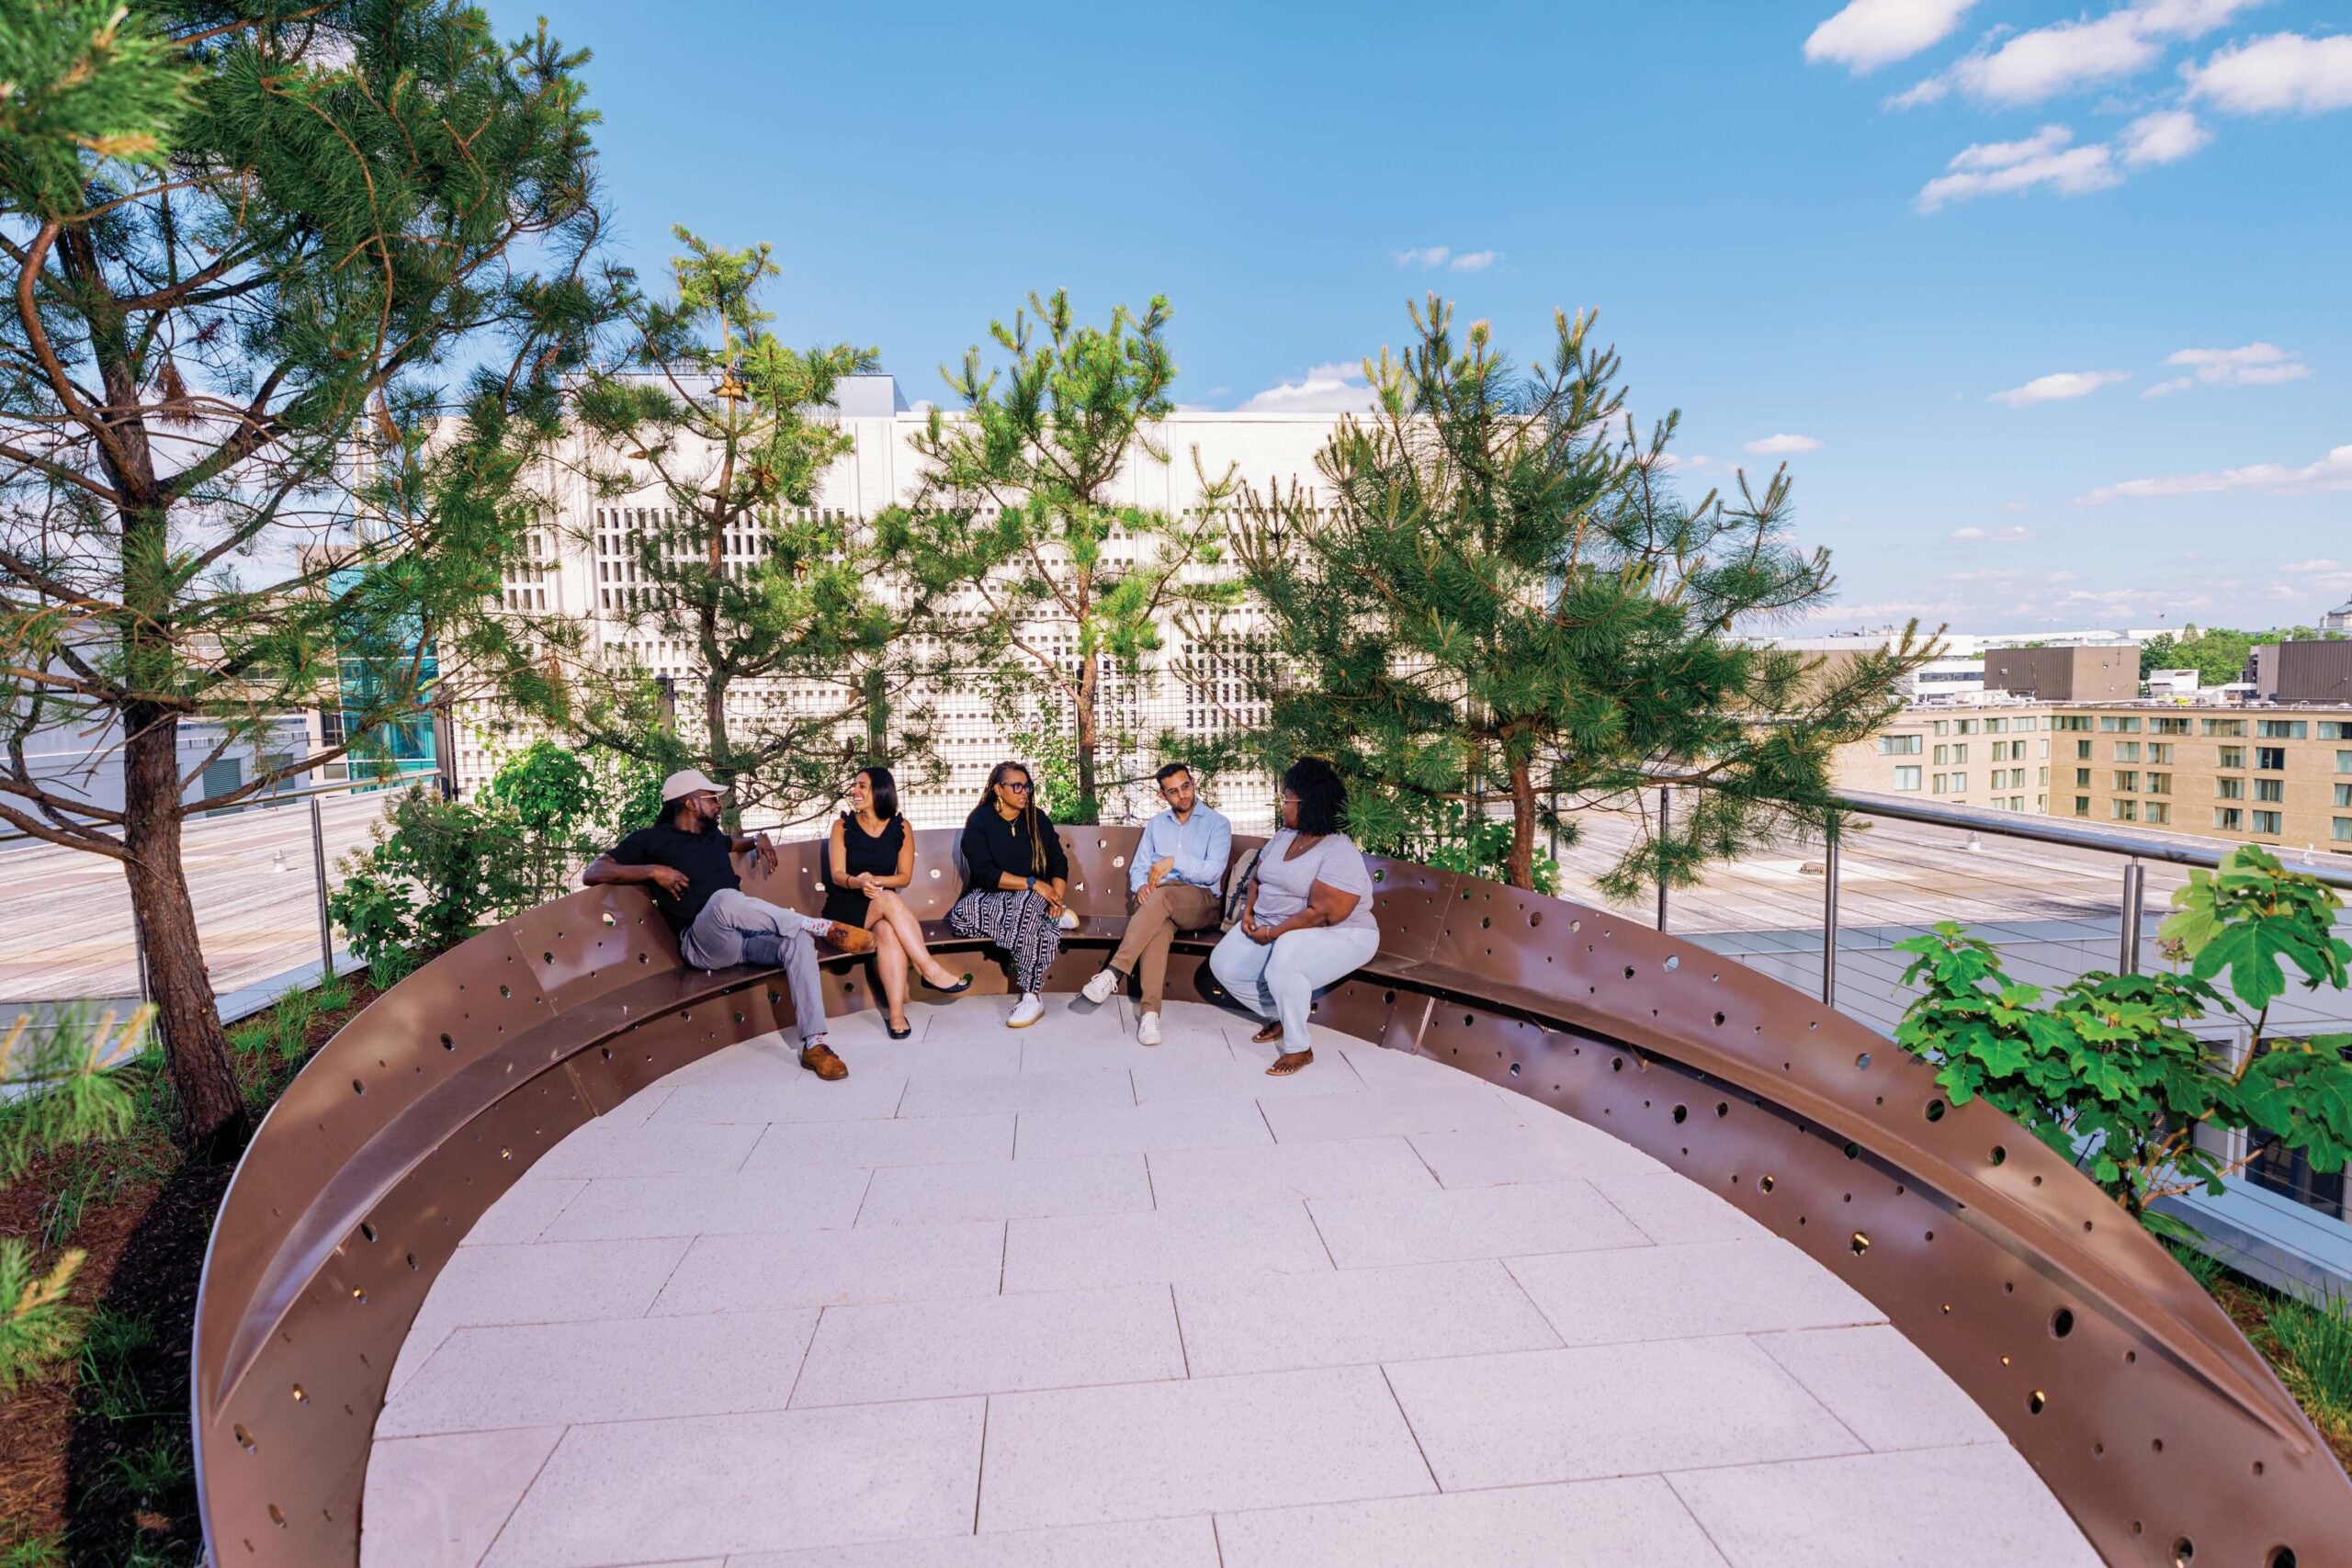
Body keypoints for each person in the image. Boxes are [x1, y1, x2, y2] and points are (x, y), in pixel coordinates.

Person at [584, 768, 874, 1082]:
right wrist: (654, 871)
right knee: (724, 900)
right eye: (712, 798)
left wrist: (757, 839)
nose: (719, 804)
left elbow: (737, 844)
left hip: (745, 939)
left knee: (798, 942)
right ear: (691, 803)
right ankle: (822, 927)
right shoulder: (651, 840)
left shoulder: (712, 838)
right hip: (702, 944)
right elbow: (594, 871)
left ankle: (814, 1045)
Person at [1208, 757, 1380, 1077]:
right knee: (1224, 964)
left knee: (1285, 961)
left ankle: (1299, 1047)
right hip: (1276, 925)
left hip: (1344, 933)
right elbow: (1258, 878)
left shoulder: (1338, 851)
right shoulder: (1286, 836)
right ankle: (1284, 1018)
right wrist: (1248, 913)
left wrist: (1273, 935)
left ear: (1308, 804)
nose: (1283, 805)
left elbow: (1323, 914)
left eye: (1287, 799)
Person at [1078, 761, 1230, 1045]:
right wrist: (1141, 888)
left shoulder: (1217, 823)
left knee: (1163, 897)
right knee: (1158, 927)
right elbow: (1138, 868)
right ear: (1163, 796)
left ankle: (1113, 971)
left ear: (1193, 782)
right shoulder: (1157, 825)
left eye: (1186, 786)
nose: (1182, 795)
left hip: (1201, 900)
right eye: (1173, 791)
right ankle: (1150, 1015)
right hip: (1161, 902)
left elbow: (1212, 872)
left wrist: (1175, 862)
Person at [821, 765, 973, 1039]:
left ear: (880, 790)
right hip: (845, 909)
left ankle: (896, 1014)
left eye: (861, 786)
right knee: (888, 899)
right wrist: (859, 882)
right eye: (854, 786)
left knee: (889, 931)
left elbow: (903, 877)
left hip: (878, 907)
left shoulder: (900, 828)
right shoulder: (842, 826)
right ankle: (928, 968)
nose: (854, 791)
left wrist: (875, 881)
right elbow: (837, 874)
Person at [948, 760, 1069, 1028]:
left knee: (1028, 906)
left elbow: (1058, 861)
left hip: (1030, 900)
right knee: (961, 917)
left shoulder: (1037, 819)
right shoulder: (980, 821)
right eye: (1016, 786)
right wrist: (1032, 882)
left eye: (1027, 786)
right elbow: (983, 872)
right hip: (989, 897)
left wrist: (1056, 898)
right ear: (997, 789)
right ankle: (1049, 921)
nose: (1024, 791)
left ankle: (1031, 995)